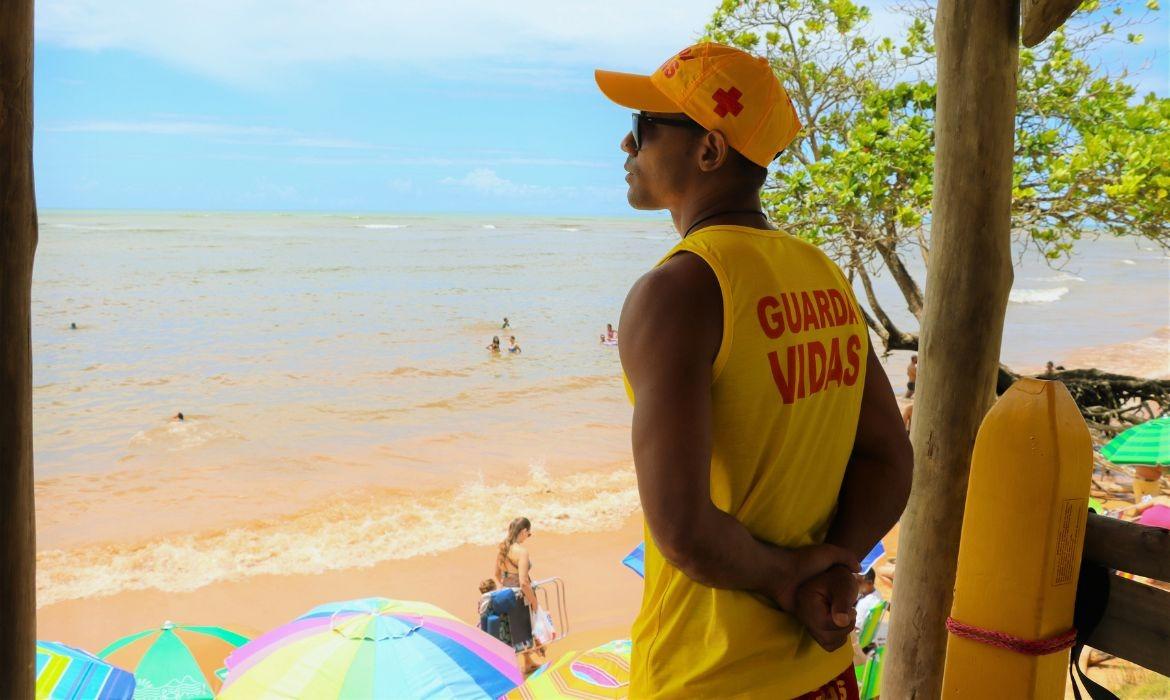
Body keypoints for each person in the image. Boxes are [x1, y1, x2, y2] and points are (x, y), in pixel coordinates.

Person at [596, 41, 913, 698]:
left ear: (710, 151)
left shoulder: (678, 290)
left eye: (643, 127)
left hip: (707, 676)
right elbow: (888, 459)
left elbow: (683, 530)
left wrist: (788, 579)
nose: (628, 145)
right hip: (822, 670)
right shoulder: (823, 274)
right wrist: (834, 566)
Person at [495, 517, 545, 674]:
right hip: (519, 594)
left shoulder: (503, 548)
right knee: (525, 626)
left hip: (507, 593)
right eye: (528, 534)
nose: (527, 537)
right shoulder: (522, 552)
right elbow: (523, 582)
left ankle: (528, 662)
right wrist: (534, 602)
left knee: (513, 628)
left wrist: (503, 589)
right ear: (523, 531)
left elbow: (496, 575)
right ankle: (526, 661)